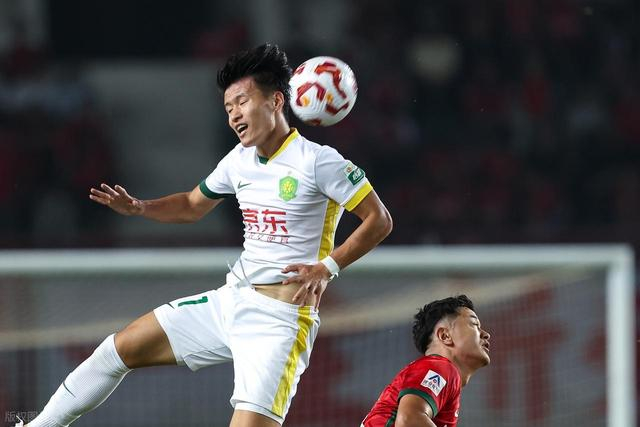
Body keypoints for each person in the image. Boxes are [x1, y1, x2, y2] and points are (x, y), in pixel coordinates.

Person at [18, 44, 392, 427]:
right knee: (115, 351)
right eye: (228, 108)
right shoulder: (238, 161)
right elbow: (191, 205)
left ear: (276, 100)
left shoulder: (319, 161)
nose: (234, 115)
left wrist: (327, 267)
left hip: (280, 322)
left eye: (242, 102)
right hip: (231, 301)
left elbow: (379, 220)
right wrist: (141, 207)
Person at [361, 295, 490, 427]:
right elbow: (409, 420)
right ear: (445, 336)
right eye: (474, 324)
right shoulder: (440, 367)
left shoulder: (440, 373)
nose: (486, 334)